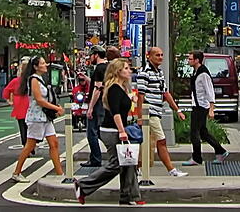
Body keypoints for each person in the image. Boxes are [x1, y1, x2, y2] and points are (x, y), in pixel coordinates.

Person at [74, 58, 143, 206]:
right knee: (117, 164)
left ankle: (127, 197)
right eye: (126, 68)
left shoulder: (120, 87)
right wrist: (122, 131)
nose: (129, 71)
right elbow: (115, 112)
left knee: (127, 163)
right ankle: (83, 185)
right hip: (112, 130)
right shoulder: (113, 89)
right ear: (118, 71)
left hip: (116, 129)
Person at [135, 47, 188, 178]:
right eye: (157, 55)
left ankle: (137, 168)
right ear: (149, 56)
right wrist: (140, 116)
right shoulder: (144, 73)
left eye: (162, 55)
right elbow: (140, 96)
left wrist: (177, 110)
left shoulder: (159, 73)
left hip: (156, 112)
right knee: (161, 140)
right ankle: (171, 169)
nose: (160, 57)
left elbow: (165, 93)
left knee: (145, 142)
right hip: (150, 112)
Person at [10, 56, 64, 182]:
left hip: (45, 117)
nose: (46, 65)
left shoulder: (40, 79)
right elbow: (39, 100)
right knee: (30, 145)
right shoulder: (34, 79)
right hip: (36, 118)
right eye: (43, 63)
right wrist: (56, 108)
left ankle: (60, 173)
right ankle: (17, 172)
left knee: (54, 143)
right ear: (35, 67)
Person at [182, 51, 228, 167]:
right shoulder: (197, 72)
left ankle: (197, 158)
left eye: (191, 59)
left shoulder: (203, 74)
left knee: (194, 133)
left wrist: (211, 109)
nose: (189, 61)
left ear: (197, 60)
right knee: (203, 133)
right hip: (198, 105)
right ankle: (221, 151)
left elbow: (210, 91)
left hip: (201, 107)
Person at [82, 46, 108, 168]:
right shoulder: (108, 67)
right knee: (100, 130)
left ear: (96, 55)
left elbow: (97, 89)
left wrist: (90, 107)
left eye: (91, 55)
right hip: (106, 102)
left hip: (98, 104)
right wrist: (88, 79)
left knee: (92, 132)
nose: (90, 58)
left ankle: (96, 159)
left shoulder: (98, 69)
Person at [2, 57, 31, 147]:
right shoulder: (31, 80)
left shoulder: (16, 81)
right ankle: (30, 144)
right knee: (30, 126)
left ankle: (25, 144)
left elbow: (6, 91)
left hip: (19, 103)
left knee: (22, 125)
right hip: (28, 102)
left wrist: (9, 101)